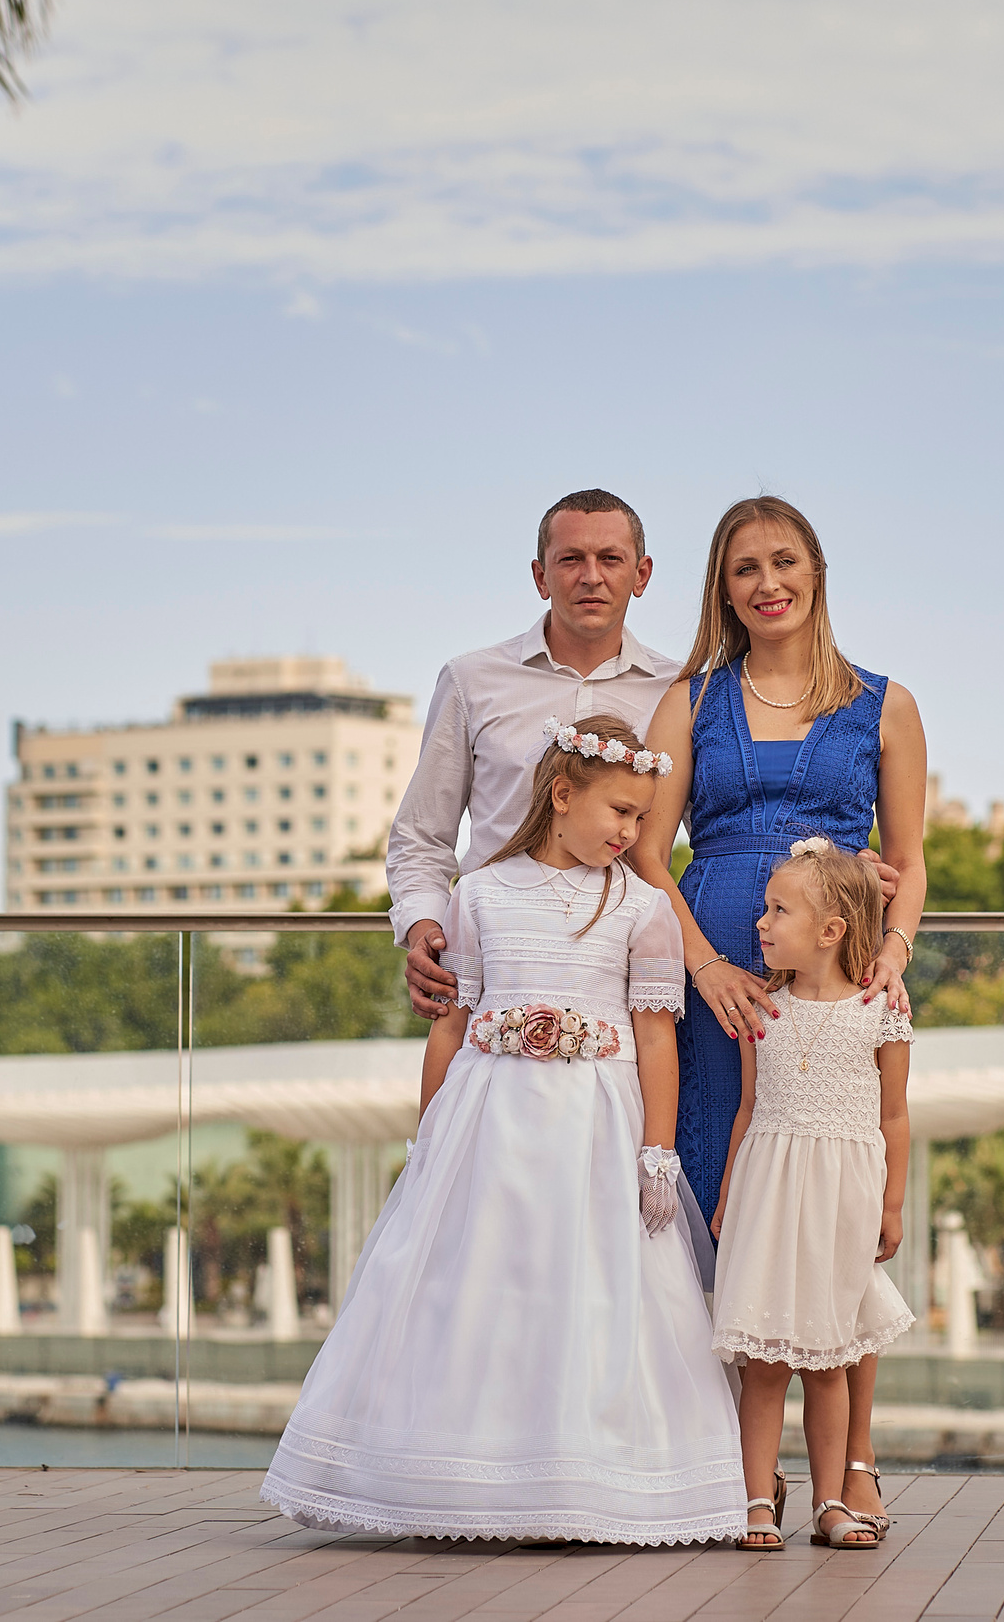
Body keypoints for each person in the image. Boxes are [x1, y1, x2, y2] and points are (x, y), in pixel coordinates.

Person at [262, 716, 744, 1544]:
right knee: (483, 1285)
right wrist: (431, 1135)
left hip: (594, 1125)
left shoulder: (642, 907)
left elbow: (656, 1036)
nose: (633, 833)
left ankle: (579, 1482)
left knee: (584, 1290)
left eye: (642, 818)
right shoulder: (480, 891)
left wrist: (657, 1149)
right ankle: (455, 1481)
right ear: (562, 795)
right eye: (621, 812)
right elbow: (451, 1025)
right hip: (490, 1121)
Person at [630, 494, 928, 1542]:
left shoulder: (885, 704)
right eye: (744, 567)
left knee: (839, 1209)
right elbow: (643, 856)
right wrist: (705, 964)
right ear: (721, 587)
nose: (767, 582)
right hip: (718, 980)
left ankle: (854, 1465)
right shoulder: (688, 702)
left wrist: (890, 948)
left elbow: (912, 854)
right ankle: (730, 1464)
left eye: (784, 561)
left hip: (836, 984)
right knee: (725, 1189)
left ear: (816, 572)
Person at [386, 490, 677, 1022]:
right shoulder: (471, 681)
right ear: (541, 577)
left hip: (629, 978)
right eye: (571, 560)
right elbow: (422, 834)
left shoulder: (679, 691)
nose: (591, 576)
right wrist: (426, 928)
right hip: (490, 970)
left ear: (642, 574)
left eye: (610, 558)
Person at [707, 838, 914, 1552]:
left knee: (829, 1361)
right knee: (763, 1366)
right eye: (766, 907)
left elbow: (895, 1116)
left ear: (831, 931)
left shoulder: (877, 1009)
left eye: (778, 909)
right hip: (769, 1192)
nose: (761, 922)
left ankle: (831, 1498)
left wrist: (891, 1204)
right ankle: (757, 1499)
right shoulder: (762, 1008)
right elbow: (746, 1108)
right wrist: (731, 1190)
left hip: (841, 1201)